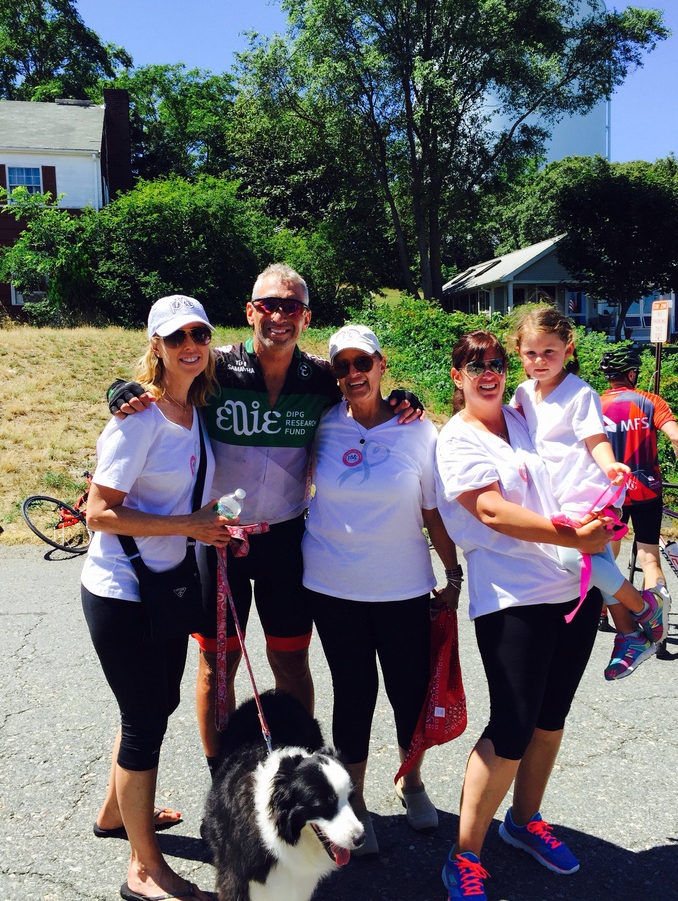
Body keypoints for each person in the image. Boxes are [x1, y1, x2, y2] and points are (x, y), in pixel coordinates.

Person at [108, 264, 421, 774]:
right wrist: (121, 391)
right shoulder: (216, 368)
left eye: (291, 306)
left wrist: (407, 400)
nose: (279, 315)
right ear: (250, 311)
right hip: (219, 539)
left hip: (286, 539)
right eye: (269, 305)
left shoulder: (322, 378)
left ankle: (298, 768)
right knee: (219, 665)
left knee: (291, 661)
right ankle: (221, 775)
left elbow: (371, 396)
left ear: (306, 316)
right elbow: (162, 379)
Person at [435, 329, 613, 901]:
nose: (486, 371)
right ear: (457, 375)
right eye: (473, 363)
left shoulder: (523, 415)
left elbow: (574, 461)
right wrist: (577, 536)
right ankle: (464, 856)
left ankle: (525, 821)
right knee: (511, 727)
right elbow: (489, 509)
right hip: (512, 597)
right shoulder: (456, 439)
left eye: (495, 362)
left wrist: (602, 515)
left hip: (571, 587)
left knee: (550, 718)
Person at [82, 295, 233, 901]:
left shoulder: (191, 409)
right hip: (123, 593)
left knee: (151, 709)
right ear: (156, 347)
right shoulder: (137, 419)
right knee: (144, 723)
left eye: (198, 333)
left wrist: (212, 526)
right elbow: (98, 513)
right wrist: (189, 527)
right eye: (175, 338)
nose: (189, 344)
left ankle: (115, 815)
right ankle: (144, 871)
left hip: (165, 587)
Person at [301, 325, 461, 858]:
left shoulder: (419, 431)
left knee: (409, 691)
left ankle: (410, 781)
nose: (353, 375)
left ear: (381, 363)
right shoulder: (322, 425)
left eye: (362, 363)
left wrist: (453, 574)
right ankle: (355, 802)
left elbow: (433, 512)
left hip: (403, 586)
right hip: (332, 583)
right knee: (353, 693)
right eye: (342, 366)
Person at [510, 306, 670, 681]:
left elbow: (595, 439)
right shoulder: (522, 392)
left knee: (569, 554)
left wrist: (611, 463)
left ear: (568, 348)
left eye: (549, 352)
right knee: (600, 563)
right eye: (531, 353)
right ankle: (630, 634)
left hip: (588, 490)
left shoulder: (578, 393)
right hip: (556, 494)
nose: (539, 360)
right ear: (519, 352)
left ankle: (644, 607)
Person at [599, 345, 678, 587]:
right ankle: (658, 620)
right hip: (647, 489)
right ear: (632, 374)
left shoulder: (595, 404)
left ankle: (602, 613)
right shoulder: (651, 401)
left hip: (612, 492)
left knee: (606, 559)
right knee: (649, 560)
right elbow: (677, 438)